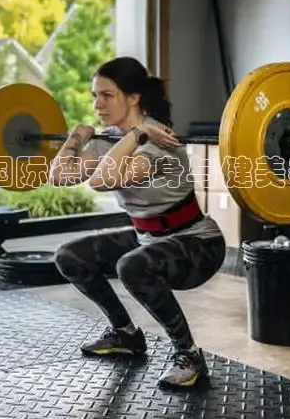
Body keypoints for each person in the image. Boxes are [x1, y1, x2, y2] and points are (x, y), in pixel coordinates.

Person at [49, 56, 225, 390]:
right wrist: (76, 138)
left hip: (198, 246)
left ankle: (189, 354)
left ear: (134, 98)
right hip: (149, 238)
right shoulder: (111, 139)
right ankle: (125, 334)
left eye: (107, 95)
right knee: (69, 256)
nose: (97, 105)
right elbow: (59, 175)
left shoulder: (159, 141)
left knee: (131, 266)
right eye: (95, 95)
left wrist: (139, 134)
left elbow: (103, 180)